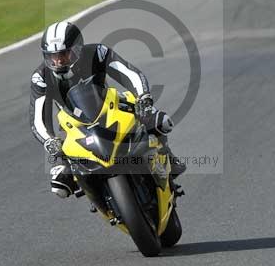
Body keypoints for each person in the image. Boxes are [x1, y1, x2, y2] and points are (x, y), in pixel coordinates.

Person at [30, 21, 186, 198]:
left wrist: (144, 97)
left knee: (158, 120)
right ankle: (90, 191)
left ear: (77, 49)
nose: (57, 61)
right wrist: (49, 141)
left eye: (64, 55)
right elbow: (38, 117)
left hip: (109, 103)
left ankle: (168, 158)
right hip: (72, 121)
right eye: (52, 56)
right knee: (59, 179)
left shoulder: (97, 53)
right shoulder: (41, 77)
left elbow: (129, 73)